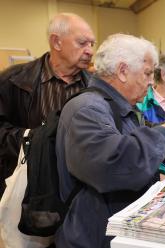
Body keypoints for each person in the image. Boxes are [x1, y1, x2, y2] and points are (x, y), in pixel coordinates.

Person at [55, 34, 165, 248]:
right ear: (123, 71)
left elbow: (130, 136)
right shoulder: (87, 109)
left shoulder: (118, 105)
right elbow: (114, 164)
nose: (152, 82)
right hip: (93, 240)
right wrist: (163, 133)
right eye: (148, 73)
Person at [0, 13, 95, 198]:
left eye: (92, 44)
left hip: (80, 192)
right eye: (82, 43)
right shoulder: (13, 81)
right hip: (29, 192)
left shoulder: (96, 87)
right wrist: (34, 141)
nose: (90, 51)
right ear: (57, 42)